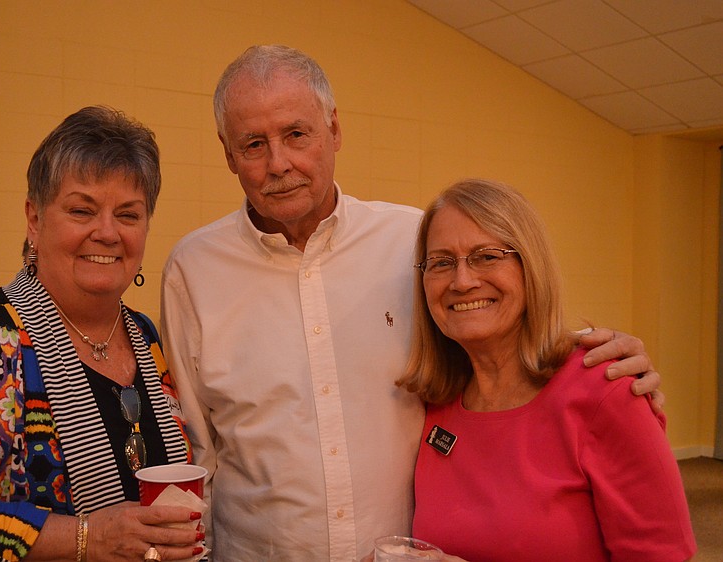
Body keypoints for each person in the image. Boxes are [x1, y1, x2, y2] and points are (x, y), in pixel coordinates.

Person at [160, 45, 662, 561]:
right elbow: (197, 450)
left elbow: (496, 342)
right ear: (227, 154)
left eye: (296, 134)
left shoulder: (415, 242)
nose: (278, 163)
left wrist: (597, 367)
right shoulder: (193, 270)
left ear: (334, 129)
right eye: (253, 144)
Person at [0, 106, 205, 562]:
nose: (107, 233)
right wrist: (86, 538)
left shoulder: (145, 336)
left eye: (128, 215)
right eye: (81, 210)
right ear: (34, 219)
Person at [399, 178, 696, 561]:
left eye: (487, 256)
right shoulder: (436, 403)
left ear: (530, 267)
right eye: (441, 263)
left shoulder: (606, 391)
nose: (462, 281)